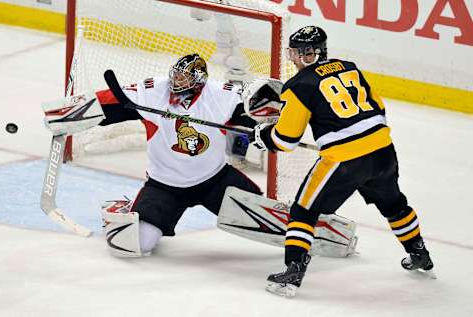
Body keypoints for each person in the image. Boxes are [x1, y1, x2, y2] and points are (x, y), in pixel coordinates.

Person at [249, 26, 434, 297]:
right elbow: (378, 107)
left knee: (303, 212)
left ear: (309, 54)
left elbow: (286, 141)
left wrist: (264, 137)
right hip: (383, 150)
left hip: (344, 160)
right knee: (394, 204)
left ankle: (292, 273)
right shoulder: (350, 67)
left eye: (297, 53)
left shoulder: (299, 85)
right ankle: (420, 254)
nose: (293, 58)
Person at [93, 53, 262, 256]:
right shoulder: (153, 90)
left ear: (198, 81)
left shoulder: (221, 95)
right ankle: (122, 209)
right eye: (176, 75)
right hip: (165, 186)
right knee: (139, 243)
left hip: (215, 181)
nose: (176, 81)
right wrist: (70, 112)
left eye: (183, 78)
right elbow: (107, 101)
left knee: (262, 220)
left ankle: (302, 227)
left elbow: (256, 110)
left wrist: (269, 124)